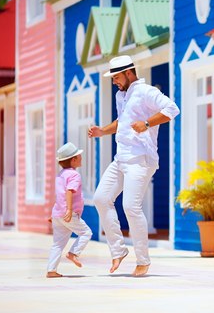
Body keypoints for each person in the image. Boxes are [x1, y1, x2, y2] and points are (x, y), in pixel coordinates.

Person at [88, 55, 180, 277]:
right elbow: (122, 121)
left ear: (129, 73)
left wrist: (147, 123)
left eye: (117, 77)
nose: (114, 82)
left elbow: (172, 108)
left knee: (131, 207)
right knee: (101, 198)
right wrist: (103, 131)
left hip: (141, 159)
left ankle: (143, 260)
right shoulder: (123, 95)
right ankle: (118, 250)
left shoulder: (146, 91)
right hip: (121, 158)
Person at [46, 142, 93, 278]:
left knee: (57, 244)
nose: (81, 158)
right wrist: (69, 210)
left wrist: (54, 214)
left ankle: (51, 270)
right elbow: (69, 191)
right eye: (79, 156)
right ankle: (73, 253)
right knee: (86, 233)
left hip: (58, 214)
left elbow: (59, 195)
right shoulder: (74, 175)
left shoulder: (60, 175)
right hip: (68, 214)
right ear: (73, 160)